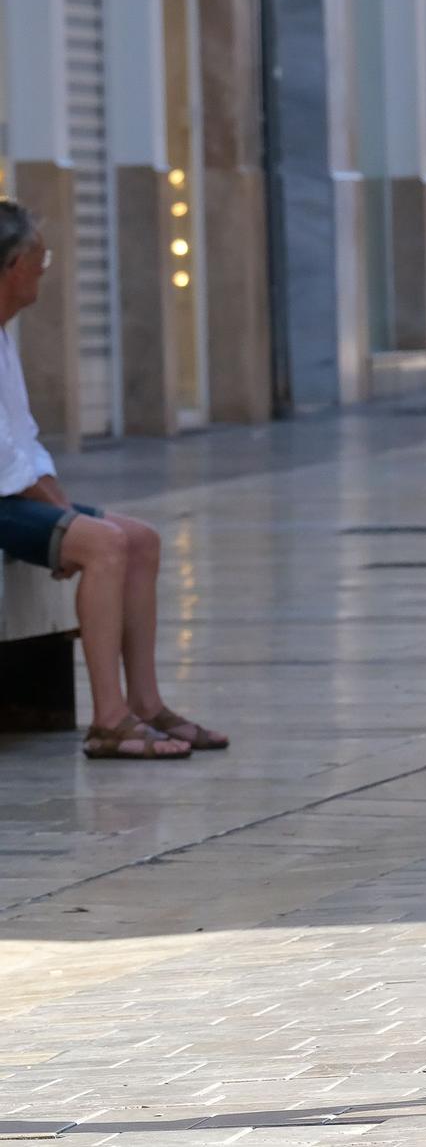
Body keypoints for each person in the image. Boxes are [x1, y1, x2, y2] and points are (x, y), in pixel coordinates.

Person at [0, 202, 227, 758]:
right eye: (39, 257)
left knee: (140, 539)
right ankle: (108, 720)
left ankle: (145, 703)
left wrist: (61, 512)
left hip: (11, 491)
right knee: (104, 546)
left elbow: (24, 439)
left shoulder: (5, 335)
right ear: (10, 266)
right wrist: (67, 526)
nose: (45, 269)